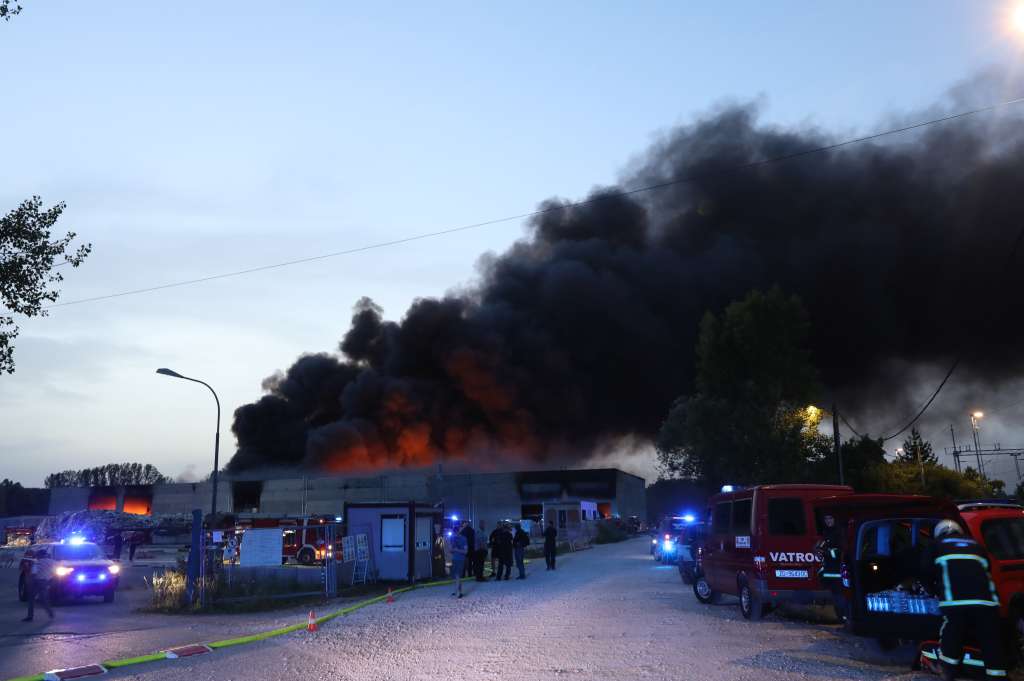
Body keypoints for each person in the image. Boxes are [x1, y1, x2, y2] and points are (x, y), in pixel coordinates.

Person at [927, 519, 1006, 681]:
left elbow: (925, 570)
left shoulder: (937, 545)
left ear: (938, 533)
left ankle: (947, 670)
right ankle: (997, 675)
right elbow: (987, 568)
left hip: (956, 601)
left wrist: (933, 590)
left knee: (952, 633)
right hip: (986, 601)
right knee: (990, 639)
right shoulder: (976, 545)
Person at [816, 514, 846, 621]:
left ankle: (843, 617)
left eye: (830, 518)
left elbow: (839, 551)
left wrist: (826, 552)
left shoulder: (839, 532)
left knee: (839, 594)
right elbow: (822, 545)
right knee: (834, 595)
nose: (828, 521)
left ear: (835, 519)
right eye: (826, 519)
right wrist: (819, 549)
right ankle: (839, 616)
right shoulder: (826, 532)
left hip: (837, 569)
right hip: (829, 569)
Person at [22, 546, 54, 622]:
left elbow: (33, 574)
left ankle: (30, 617)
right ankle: (50, 613)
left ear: (39, 555)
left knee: (31, 599)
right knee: (44, 599)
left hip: (36, 582)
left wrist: (29, 582)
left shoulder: (37, 563)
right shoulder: (52, 562)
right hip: (45, 582)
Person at [450, 522, 469, 598]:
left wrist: (456, 550)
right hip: (455, 559)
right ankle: (458, 591)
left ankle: (458, 592)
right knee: (456, 576)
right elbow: (451, 550)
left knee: (457, 576)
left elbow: (465, 551)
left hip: (460, 559)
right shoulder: (452, 538)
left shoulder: (463, 539)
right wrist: (453, 550)